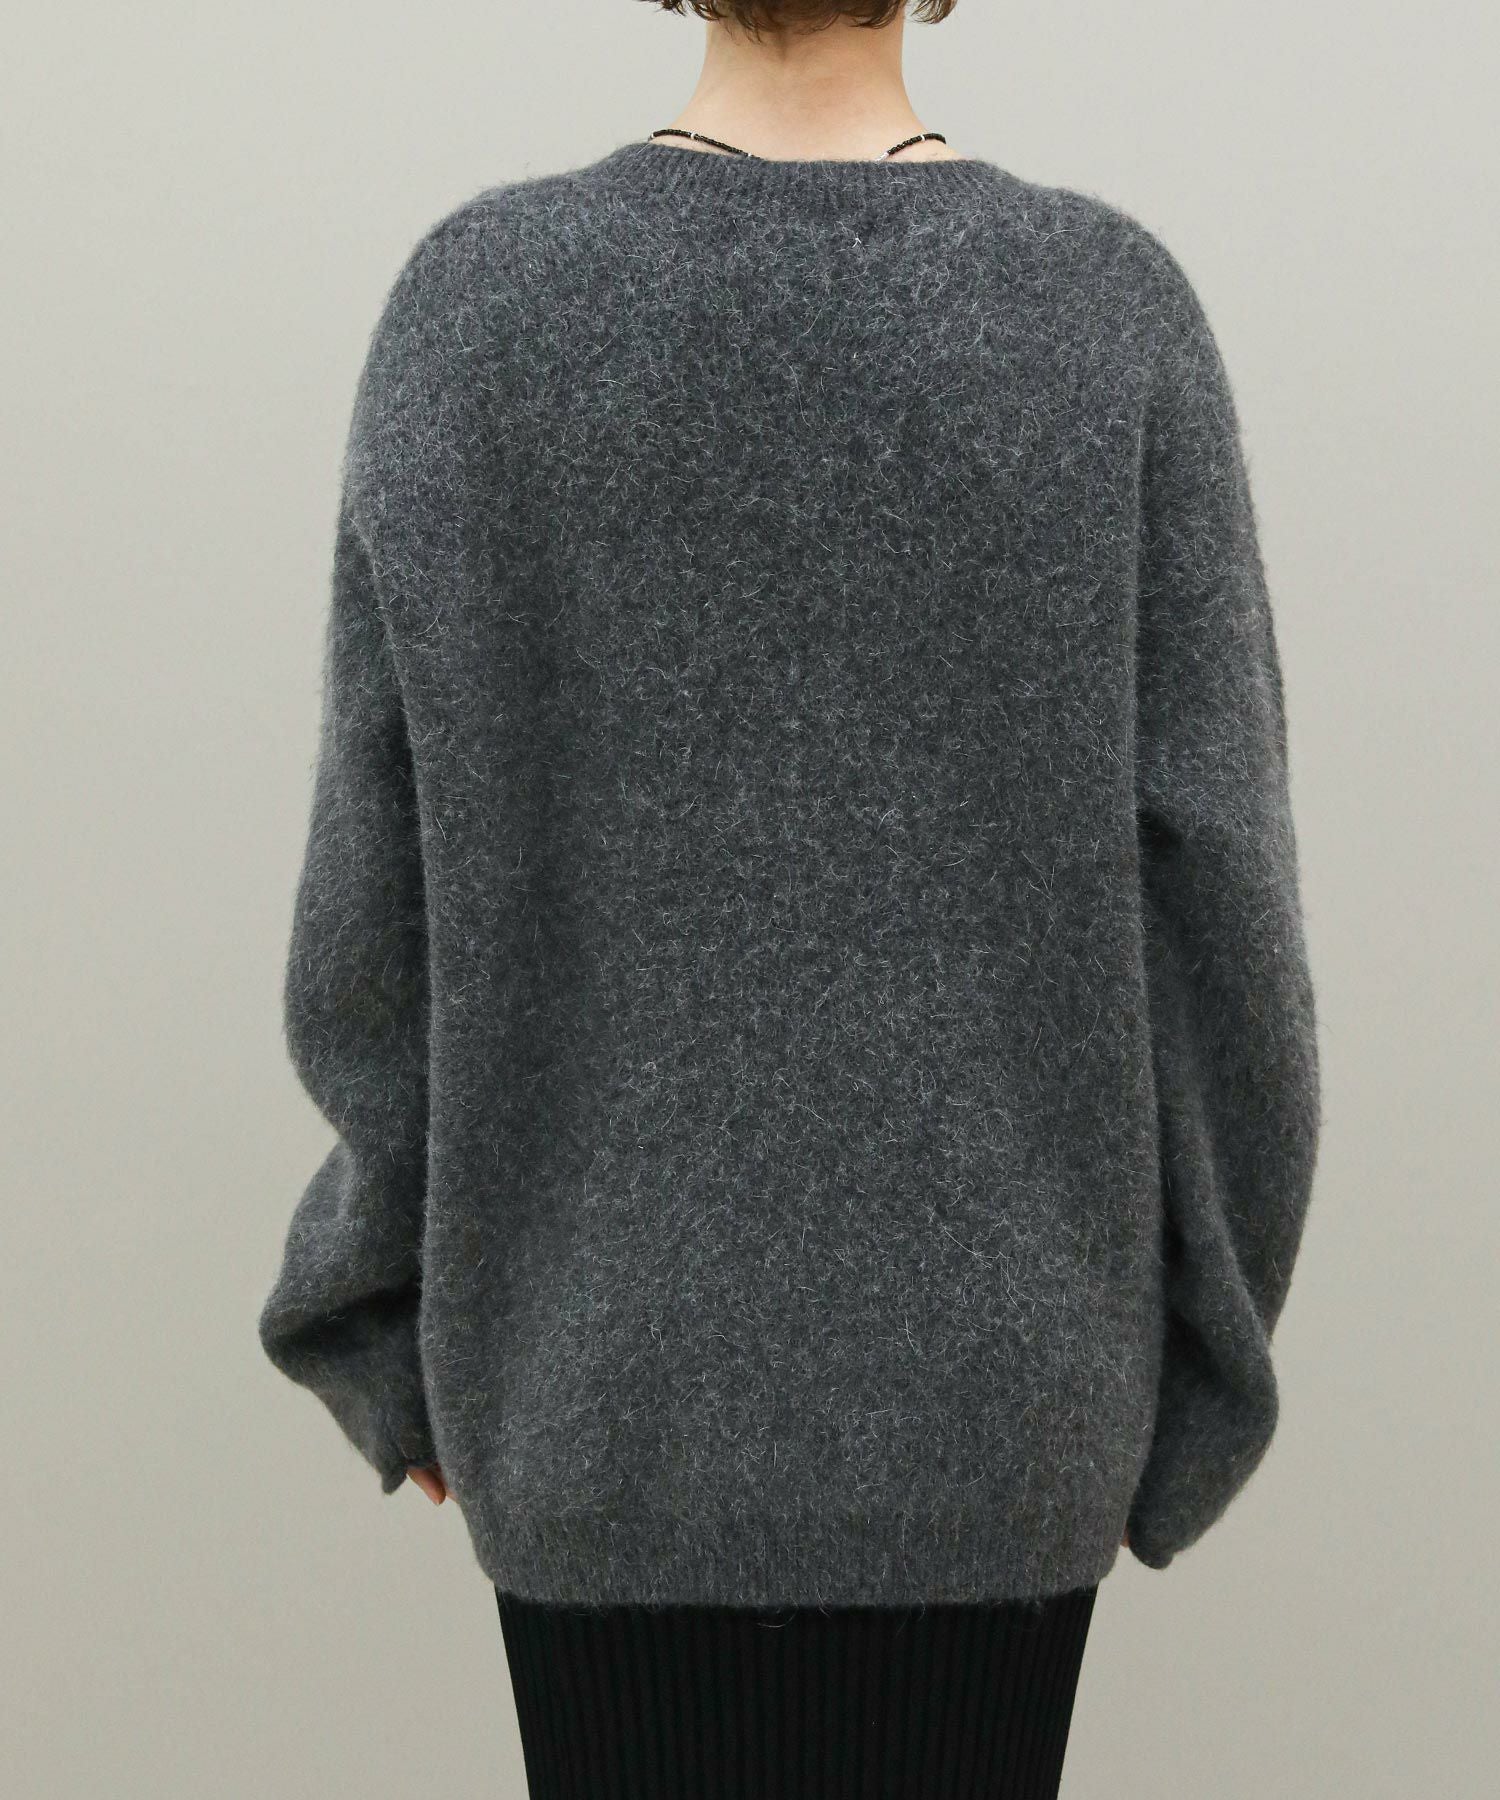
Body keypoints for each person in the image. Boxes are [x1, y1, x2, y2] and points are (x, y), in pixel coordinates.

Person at [257, 1, 1323, 1793]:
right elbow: (1225, 923)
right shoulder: (1103, 313)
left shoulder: (477, 310)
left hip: (595, 1393)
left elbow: (374, 898)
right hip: (1001, 1404)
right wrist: (1202, 1362)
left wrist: (375, 1311)